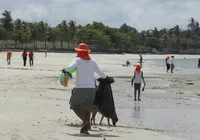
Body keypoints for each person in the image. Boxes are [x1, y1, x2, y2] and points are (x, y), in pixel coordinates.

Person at [62, 43, 107, 135]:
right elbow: (101, 73)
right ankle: (86, 128)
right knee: (87, 108)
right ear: (87, 52)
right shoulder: (93, 61)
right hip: (91, 89)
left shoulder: (77, 60)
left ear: (78, 51)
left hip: (81, 88)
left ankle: (86, 122)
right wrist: (106, 77)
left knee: (74, 105)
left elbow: (70, 67)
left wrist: (64, 69)